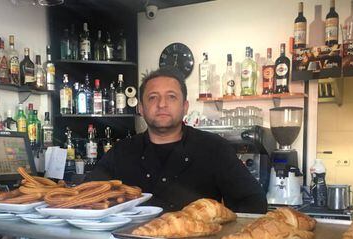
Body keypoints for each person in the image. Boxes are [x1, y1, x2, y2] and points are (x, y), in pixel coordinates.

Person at [91, 66, 267, 214]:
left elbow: (253, 202)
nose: (162, 104)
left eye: (171, 97)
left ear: (185, 107)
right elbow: (85, 195)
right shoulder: (121, 152)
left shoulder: (214, 148)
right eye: (153, 97)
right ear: (141, 109)